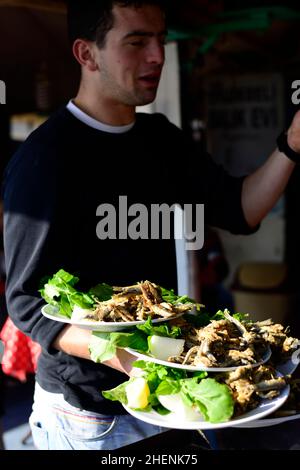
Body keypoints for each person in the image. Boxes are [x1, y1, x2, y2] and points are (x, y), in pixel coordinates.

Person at [2, 0, 300, 450]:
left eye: (160, 40)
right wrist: (133, 359)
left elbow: (242, 210)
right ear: (87, 54)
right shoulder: (46, 159)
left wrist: (293, 143)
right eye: (137, 41)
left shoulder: (163, 139)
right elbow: (25, 303)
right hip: (91, 414)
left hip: (176, 395)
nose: (158, 55)